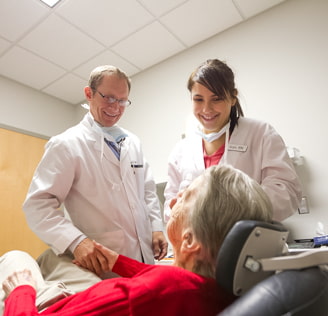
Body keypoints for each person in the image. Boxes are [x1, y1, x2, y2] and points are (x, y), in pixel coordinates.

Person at [1, 164, 273, 315]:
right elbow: (170, 284)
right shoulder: (225, 289)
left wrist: (22, 290)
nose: (174, 199)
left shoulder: (159, 290)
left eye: (186, 197)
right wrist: (118, 262)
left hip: (47, 307)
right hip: (91, 300)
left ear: (190, 241)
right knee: (55, 257)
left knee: (17, 258)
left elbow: (156, 290)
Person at [22, 65, 168, 291]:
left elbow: (147, 190)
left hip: (144, 259)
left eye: (122, 101)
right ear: (89, 94)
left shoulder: (132, 142)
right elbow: (37, 206)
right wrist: (76, 242)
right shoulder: (67, 144)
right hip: (103, 266)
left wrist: (156, 227)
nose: (115, 107)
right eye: (108, 97)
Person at [164, 58, 302, 222]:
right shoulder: (181, 151)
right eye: (198, 99)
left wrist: (234, 206)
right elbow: (169, 208)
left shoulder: (260, 133)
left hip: (250, 241)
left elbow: (287, 192)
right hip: (201, 244)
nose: (206, 109)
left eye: (216, 99)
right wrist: (180, 207)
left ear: (233, 98)